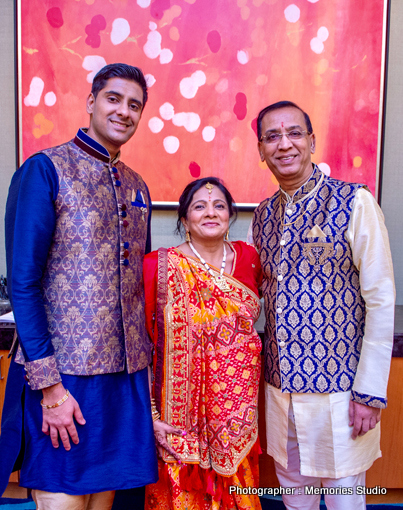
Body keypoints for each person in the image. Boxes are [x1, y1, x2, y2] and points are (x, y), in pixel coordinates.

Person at [0, 63, 158, 509]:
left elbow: (134, 286)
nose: (124, 111)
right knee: (63, 501)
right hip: (61, 374)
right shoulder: (46, 169)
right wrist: (50, 389)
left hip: (121, 379)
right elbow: (23, 283)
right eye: (113, 99)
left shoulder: (136, 185)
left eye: (134, 105)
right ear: (90, 102)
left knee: (101, 503)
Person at [251, 101, 395, 510]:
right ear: (261, 149)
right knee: (296, 502)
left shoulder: (354, 202)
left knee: (344, 503)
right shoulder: (263, 215)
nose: (285, 144)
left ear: (312, 141)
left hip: (341, 395)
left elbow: (381, 299)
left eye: (294, 133)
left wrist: (369, 392)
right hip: (281, 395)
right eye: (272, 137)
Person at [143, 177, 263, 510]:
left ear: (230, 216)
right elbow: (140, 344)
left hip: (236, 410)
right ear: (184, 220)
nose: (210, 213)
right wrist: (150, 413)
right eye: (199, 206)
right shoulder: (157, 266)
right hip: (178, 416)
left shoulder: (250, 258)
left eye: (219, 206)